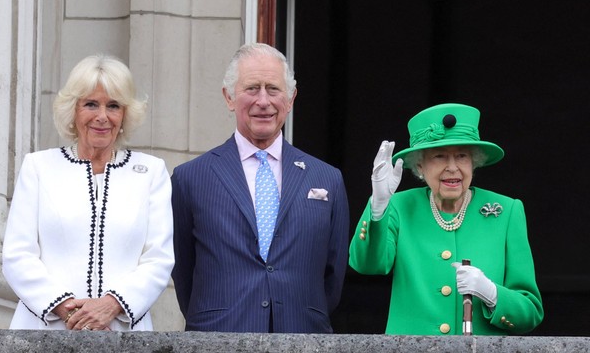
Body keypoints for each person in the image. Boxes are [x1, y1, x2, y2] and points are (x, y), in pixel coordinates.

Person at [171, 43, 349, 333]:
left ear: (290, 98)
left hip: (302, 336)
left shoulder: (327, 179)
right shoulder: (190, 178)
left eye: (273, 89)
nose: (263, 101)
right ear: (229, 97)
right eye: (252, 88)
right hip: (218, 338)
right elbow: (183, 271)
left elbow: (333, 277)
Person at [1, 54, 174, 331]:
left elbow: (159, 259)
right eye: (91, 104)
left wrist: (110, 306)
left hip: (121, 332)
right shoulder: (39, 167)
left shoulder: (151, 172)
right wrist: (73, 314)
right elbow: (17, 256)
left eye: (113, 106)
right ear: (74, 110)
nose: (102, 117)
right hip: (45, 331)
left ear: (125, 113)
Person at [349, 103, 543, 335]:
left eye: (462, 156)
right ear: (420, 165)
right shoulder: (400, 206)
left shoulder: (507, 211)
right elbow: (368, 265)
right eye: (439, 157)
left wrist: (492, 294)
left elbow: (530, 312)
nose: (452, 168)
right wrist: (378, 207)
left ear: (474, 162)